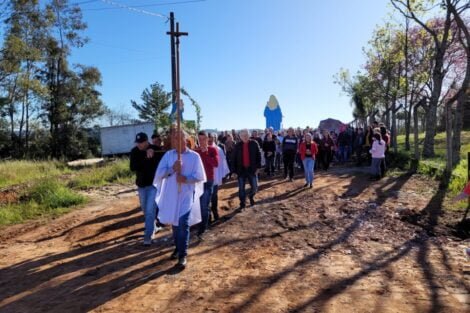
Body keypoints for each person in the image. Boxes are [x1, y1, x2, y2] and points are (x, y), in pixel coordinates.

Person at [153, 129, 206, 268]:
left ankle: (183, 254)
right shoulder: (168, 156)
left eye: (179, 137)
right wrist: (172, 169)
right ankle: (178, 247)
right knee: (175, 224)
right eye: (174, 138)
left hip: (186, 195)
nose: (176, 140)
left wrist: (186, 179)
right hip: (171, 195)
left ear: (186, 139)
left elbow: (200, 177)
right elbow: (159, 175)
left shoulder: (194, 157)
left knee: (183, 223)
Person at [130, 132, 165, 246]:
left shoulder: (156, 149)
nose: (139, 145)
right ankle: (153, 227)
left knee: (150, 210)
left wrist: (153, 155)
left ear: (146, 142)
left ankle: (148, 235)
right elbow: (133, 167)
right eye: (138, 143)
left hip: (153, 186)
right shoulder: (134, 151)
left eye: (141, 143)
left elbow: (162, 165)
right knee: (145, 209)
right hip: (141, 186)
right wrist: (145, 156)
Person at [195, 131, 219, 238]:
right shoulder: (195, 151)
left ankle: (203, 229)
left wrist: (205, 153)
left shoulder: (213, 149)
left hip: (208, 181)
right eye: (199, 139)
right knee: (198, 205)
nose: (201, 141)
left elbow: (216, 164)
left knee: (204, 205)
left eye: (203, 139)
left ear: (207, 139)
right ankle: (201, 223)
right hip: (197, 181)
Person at [232, 129, 262, 209]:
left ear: (249, 135)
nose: (244, 137)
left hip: (252, 169)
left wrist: (258, 167)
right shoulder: (237, 145)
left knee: (255, 187)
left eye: (246, 135)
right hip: (241, 170)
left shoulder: (254, 143)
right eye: (242, 135)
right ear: (240, 137)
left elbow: (259, 156)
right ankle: (242, 204)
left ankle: (251, 196)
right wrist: (233, 171)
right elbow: (233, 159)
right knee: (241, 189)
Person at [209, 133, 230, 223]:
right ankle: (208, 216)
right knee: (206, 197)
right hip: (205, 178)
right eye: (209, 139)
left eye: (212, 139)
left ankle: (215, 212)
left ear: (215, 139)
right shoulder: (202, 150)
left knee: (214, 196)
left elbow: (223, 162)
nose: (210, 141)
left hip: (215, 177)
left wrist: (225, 174)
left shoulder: (218, 150)